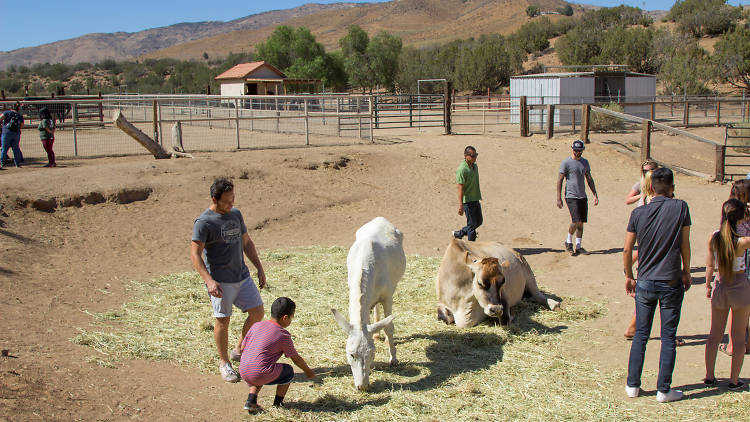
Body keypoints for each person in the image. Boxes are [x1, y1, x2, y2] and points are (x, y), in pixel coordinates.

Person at [623, 167, 691, 403]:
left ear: (650, 187)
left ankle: (633, 385)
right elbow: (685, 244)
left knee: (641, 333)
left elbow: (627, 248)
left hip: (645, 280)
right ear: (672, 187)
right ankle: (664, 389)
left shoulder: (639, 213)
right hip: (670, 279)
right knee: (668, 336)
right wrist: (687, 270)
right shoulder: (681, 207)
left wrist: (629, 275)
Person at [191, 177, 267, 383]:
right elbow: (195, 255)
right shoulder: (204, 222)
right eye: (227, 200)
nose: (231, 204)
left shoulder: (235, 214)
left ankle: (239, 349)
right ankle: (225, 363)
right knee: (223, 320)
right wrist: (208, 280)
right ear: (214, 199)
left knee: (257, 312)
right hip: (220, 281)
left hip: (241, 276)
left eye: (233, 199)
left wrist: (258, 267)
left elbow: (246, 242)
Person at [704, 199, 750, 391]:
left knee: (714, 335)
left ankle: (709, 376)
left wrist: (707, 285)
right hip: (739, 286)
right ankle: (734, 380)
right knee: (739, 338)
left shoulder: (713, 237)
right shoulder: (743, 241)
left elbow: (709, 265)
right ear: (741, 218)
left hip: (720, 284)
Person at [239, 297, 315, 413]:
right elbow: (295, 358)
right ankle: (278, 404)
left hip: (243, 370)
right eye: (291, 317)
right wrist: (307, 370)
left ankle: (251, 400)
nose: (291, 320)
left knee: (262, 366)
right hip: (259, 373)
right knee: (288, 371)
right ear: (285, 317)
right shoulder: (283, 335)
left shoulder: (256, 326)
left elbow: (242, 348)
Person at [715, 180, 750, 357]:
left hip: (735, 269)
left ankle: (732, 345)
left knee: (734, 308)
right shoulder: (744, 217)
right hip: (743, 265)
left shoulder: (731, 216)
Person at [556, 140, 598, 256]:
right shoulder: (566, 163)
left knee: (581, 222)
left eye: (579, 151)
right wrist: (558, 198)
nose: (577, 152)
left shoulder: (585, 163)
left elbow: (589, 178)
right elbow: (560, 180)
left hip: (582, 196)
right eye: (575, 150)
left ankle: (579, 246)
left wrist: (594, 193)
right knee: (575, 221)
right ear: (572, 149)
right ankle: (568, 242)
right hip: (571, 196)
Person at [452, 146, 482, 241]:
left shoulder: (475, 166)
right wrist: (461, 205)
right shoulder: (462, 169)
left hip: (475, 198)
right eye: (473, 156)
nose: (475, 157)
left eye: (475, 155)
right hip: (468, 201)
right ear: (466, 156)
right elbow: (460, 187)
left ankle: (459, 233)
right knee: (472, 226)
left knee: (478, 222)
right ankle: (471, 248)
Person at [0, 102, 25, 169]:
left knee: (4, 149)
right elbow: (22, 125)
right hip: (16, 133)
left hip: (6, 132)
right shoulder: (19, 115)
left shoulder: (7, 113)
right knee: (16, 148)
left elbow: (1, 118)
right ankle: (17, 164)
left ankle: (2, 163)